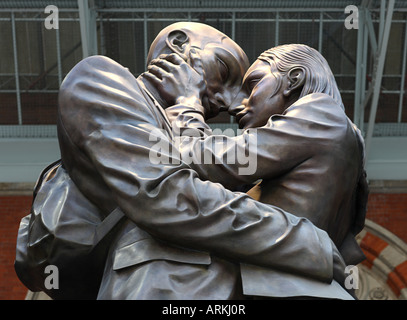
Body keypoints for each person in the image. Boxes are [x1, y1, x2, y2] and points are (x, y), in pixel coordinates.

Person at [19, 23, 349, 300]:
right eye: (224, 70)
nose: (231, 103)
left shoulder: (190, 132)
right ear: (178, 45)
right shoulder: (101, 79)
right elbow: (168, 195)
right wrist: (303, 239)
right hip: (162, 287)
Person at [149, 43, 368, 298]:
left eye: (252, 85)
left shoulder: (320, 113)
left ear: (293, 80)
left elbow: (208, 161)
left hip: (278, 288)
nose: (239, 105)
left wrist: (187, 102)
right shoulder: (343, 141)